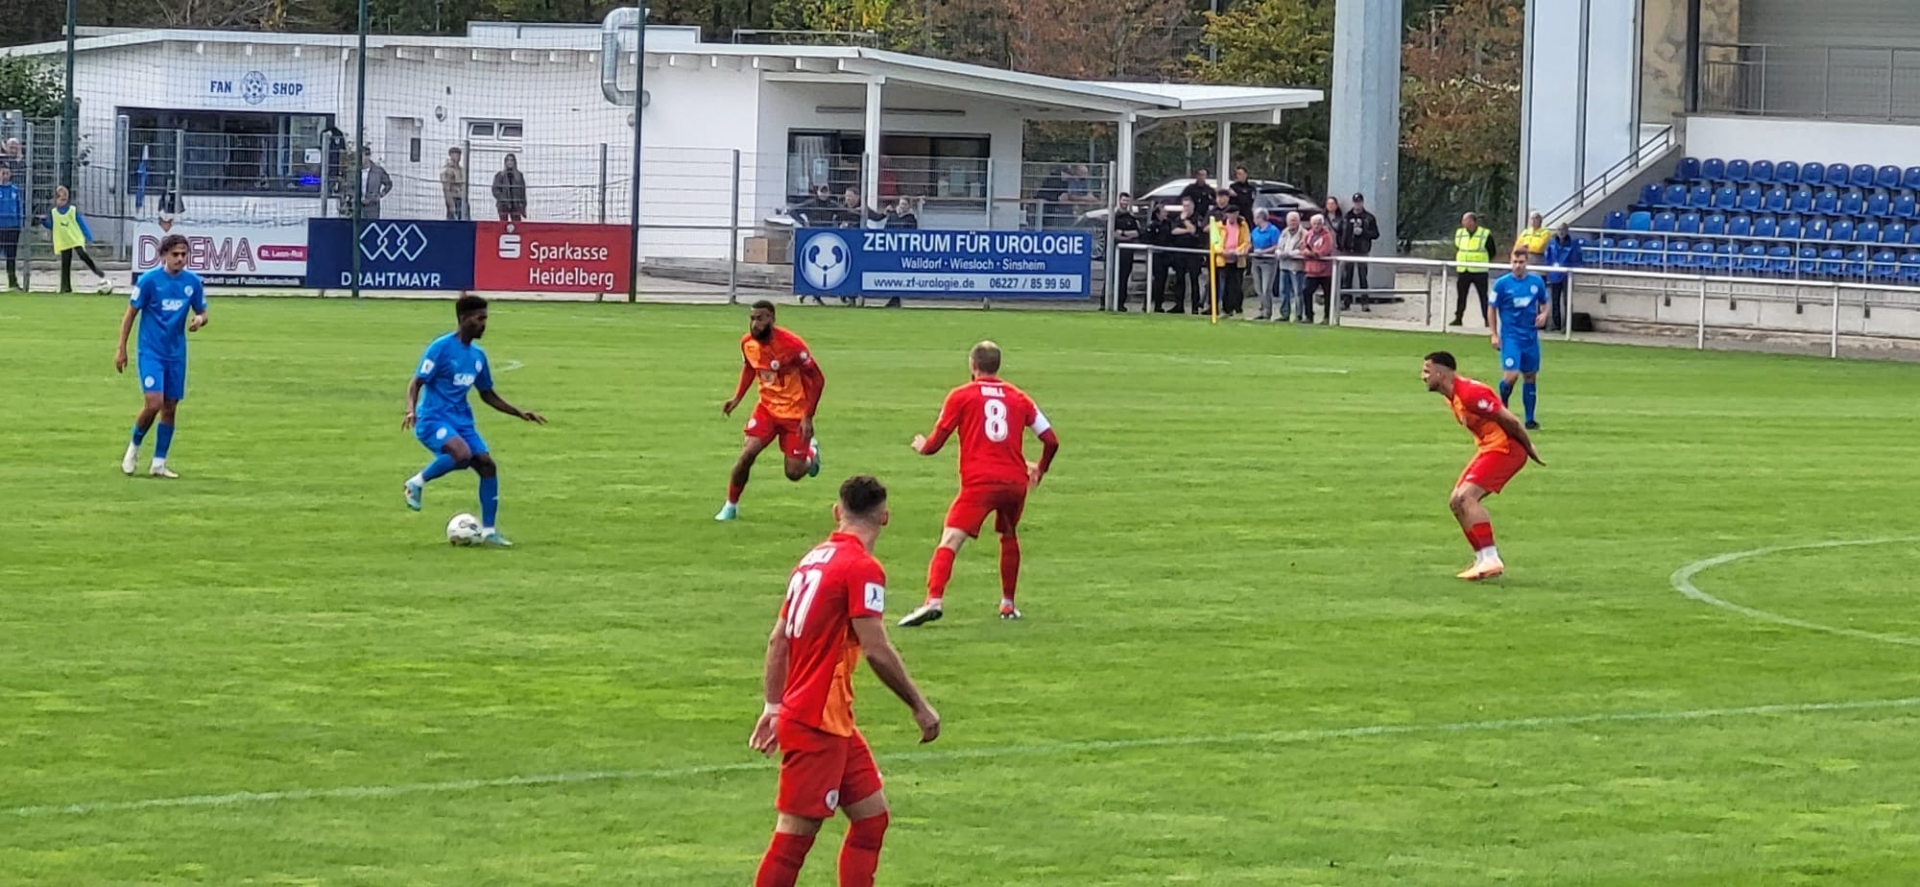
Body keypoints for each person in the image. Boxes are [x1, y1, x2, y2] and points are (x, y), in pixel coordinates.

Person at [748, 474, 940, 887]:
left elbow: (778, 639)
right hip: (816, 720)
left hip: (831, 719)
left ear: (837, 512)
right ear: (885, 517)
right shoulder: (862, 568)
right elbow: (876, 649)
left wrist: (773, 705)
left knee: (872, 818)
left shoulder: (812, 559)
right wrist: (919, 706)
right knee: (794, 840)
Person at [899, 341, 1060, 626]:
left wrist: (922, 446)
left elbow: (935, 443)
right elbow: (1051, 440)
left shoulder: (961, 396)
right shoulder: (1019, 397)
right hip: (1014, 483)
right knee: (1008, 535)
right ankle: (1008, 605)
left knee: (951, 539)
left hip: (980, 483)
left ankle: (933, 600)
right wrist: (1040, 468)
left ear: (972, 365)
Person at [401, 296, 548, 547]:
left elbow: (487, 394)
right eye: (480, 319)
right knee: (461, 454)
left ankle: (489, 532)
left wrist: (519, 412)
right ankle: (415, 483)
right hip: (433, 419)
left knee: (487, 465)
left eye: (485, 318)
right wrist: (410, 411)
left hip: (462, 422)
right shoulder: (441, 347)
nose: (484, 324)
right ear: (464, 319)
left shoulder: (478, 357)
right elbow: (417, 382)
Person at [1421, 350, 1543, 582]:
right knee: (1456, 501)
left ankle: (1491, 558)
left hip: (1506, 449)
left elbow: (1510, 420)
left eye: (1427, 371)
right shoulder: (1453, 396)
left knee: (1467, 497)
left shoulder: (1470, 394)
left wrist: (1529, 448)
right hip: (1490, 448)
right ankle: (1482, 559)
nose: (1423, 376)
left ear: (1440, 373)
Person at [718, 301, 824, 521]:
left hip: (795, 415)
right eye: (752, 318)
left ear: (772, 319)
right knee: (747, 454)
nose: (755, 324)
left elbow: (818, 379)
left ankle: (811, 455)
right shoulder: (747, 343)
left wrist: (808, 416)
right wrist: (737, 398)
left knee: (793, 473)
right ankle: (730, 506)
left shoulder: (792, 345)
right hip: (767, 410)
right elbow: (750, 367)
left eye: (760, 318)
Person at [114, 233, 207, 478]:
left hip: (176, 354)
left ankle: (159, 463)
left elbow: (203, 312)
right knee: (153, 403)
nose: (180, 259)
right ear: (164, 255)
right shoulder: (149, 281)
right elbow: (130, 314)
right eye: (175, 254)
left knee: (170, 407)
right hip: (151, 352)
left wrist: (199, 320)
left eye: (184, 254)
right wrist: (121, 348)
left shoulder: (193, 282)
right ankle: (133, 449)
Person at [1489, 249, 1550, 430]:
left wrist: (1544, 314)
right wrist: (1494, 334)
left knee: (1530, 376)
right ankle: (1502, 407)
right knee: (1511, 376)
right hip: (1511, 337)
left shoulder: (1536, 282)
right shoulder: (1502, 284)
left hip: (1530, 337)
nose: (1517, 266)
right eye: (1514, 262)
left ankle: (1530, 420)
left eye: (1521, 262)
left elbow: (1545, 301)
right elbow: (1491, 308)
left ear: (1527, 263)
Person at [41, 185, 113, 293]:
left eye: (65, 199)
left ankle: (96, 270)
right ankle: (65, 287)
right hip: (64, 240)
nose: (64, 202)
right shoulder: (54, 212)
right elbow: (53, 226)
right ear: (56, 199)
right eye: (61, 199)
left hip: (75, 238)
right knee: (65, 263)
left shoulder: (72, 210)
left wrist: (88, 236)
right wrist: (44, 222)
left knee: (82, 254)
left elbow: (81, 223)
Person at [1340, 193, 1381, 309]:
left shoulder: (1369, 217)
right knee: (1347, 277)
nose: (1357, 204)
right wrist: (1341, 244)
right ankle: (1346, 301)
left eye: (1359, 202)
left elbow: (1376, 234)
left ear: (1362, 203)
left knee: (1363, 277)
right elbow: (1340, 231)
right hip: (1349, 250)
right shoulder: (1347, 217)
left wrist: (1363, 232)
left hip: (1362, 251)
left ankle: (1364, 302)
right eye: (1355, 202)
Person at [1451, 213, 1493, 326]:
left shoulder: (1485, 234)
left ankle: (1487, 320)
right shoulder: (1460, 233)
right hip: (1463, 270)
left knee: (1483, 296)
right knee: (1461, 296)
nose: (1463, 223)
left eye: (1465, 220)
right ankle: (1458, 318)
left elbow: (1491, 251)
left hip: (1480, 271)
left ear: (1472, 222)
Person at [1210, 205, 1249, 317]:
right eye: (1230, 214)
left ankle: (1237, 308)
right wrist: (1222, 251)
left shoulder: (1243, 225)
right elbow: (1214, 242)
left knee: (1237, 285)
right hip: (1223, 259)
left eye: (1234, 214)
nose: (1232, 216)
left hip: (1238, 259)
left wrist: (1237, 251)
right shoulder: (1219, 225)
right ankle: (1226, 309)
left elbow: (1246, 241)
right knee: (1224, 285)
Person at [1543, 222, 1583, 332]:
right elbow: (1547, 259)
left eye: (1563, 230)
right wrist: (1550, 269)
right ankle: (1556, 324)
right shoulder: (1552, 243)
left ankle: (1567, 325)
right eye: (1559, 229)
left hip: (1567, 275)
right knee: (1555, 300)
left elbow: (1578, 260)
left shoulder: (1573, 244)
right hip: (1555, 275)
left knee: (1567, 301)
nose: (1561, 232)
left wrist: (1569, 268)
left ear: (1567, 231)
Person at [1297, 212, 1335, 324]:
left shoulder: (1327, 236)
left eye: (1319, 223)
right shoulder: (1308, 235)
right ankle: (1309, 316)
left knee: (1327, 295)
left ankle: (1327, 317)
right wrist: (1307, 252)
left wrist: (1312, 253)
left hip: (1325, 271)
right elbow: (1302, 247)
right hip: (1311, 270)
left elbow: (1324, 251)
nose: (1316, 226)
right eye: (1314, 223)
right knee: (1306, 292)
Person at [1171, 197, 1206, 314]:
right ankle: (1179, 306)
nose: (1186, 208)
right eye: (1184, 206)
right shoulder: (1178, 218)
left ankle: (1195, 307)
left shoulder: (1197, 218)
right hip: (1180, 252)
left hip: (1193, 253)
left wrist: (1184, 221)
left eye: (1188, 206)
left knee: (1194, 280)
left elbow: (1194, 230)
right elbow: (1173, 231)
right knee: (1179, 279)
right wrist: (1186, 229)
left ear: (1193, 206)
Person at [1248, 208, 1281, 321]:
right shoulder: (1255, 231)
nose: (1254, 220)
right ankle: (1262, 310)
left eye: (1255, 217)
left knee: (1266, 288)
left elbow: (1276, 245)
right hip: (1256, 261)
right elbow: (1251, 243)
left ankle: (1267, 312)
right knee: (1258, 288)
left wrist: (1263, 251)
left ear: (1260, 218)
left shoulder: (1273, 230)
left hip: (1268, 262)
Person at [1112, 192, 1141, 311]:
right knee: (1112, 277)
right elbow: (1113, 234)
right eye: (1123, 200)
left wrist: (1123, 233)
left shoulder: (1131, 219)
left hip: (1127, 254)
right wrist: (1127, 236)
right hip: (1114, 253)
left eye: (1127, 201)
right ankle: (1106, 302)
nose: (1125, 203)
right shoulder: (1113, 217)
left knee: (1123, 279)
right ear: (1119, 200)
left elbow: (1137, 233)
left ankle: (1120, 304)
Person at [1146, 203, 1177, 313]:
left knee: (1162, 280)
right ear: (1158, 213)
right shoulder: (1153, 225)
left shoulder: (1168, 224)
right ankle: (1148, 303)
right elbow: (1148, 238)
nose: (1166, 213)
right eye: (1164, 211)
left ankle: (1158, 305)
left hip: (1166, 256)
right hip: (1156, 256)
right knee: (1157, 281)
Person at [1275, 211, 1306, 322]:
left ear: (1298, 221)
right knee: (1283, 291)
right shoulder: (1284, 232)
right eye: (1290, 220)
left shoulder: (1304, 233)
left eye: (1294, 220)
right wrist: (1279, 252)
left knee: (1298, 292)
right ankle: (1285, 314)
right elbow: (1279, 247)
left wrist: (1289, 254)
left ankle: (1298, 315)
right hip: (1284, 266)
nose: (1292, 222)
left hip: (1297, 267)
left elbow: (1303, 249)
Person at [0, 165, 21, 292]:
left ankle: (12, 282)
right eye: (2, 173)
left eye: (7, 173)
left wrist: (19, 223)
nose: (5, 176)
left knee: (11, 256)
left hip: (12, 227)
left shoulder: (15, 190)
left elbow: (19, 207)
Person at [356, 147, 392, 219]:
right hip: (357, 206)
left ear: (368, 156)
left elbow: (388, 184)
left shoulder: (378, 171)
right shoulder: (354, 171)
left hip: (372, 206)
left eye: (362, 156)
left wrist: (380, 195)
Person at [492, 154, 528, 222]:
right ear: (505, 162)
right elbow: (495, 190)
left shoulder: (519, 175)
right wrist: (502, 198)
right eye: (508, 160)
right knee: (503, 224)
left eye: (512, 160)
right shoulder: (500, 175)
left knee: (517, 224)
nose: (510, 162)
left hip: (516, 204)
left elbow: (523, 191)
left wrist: (523, 205)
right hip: (503, 204)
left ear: (515, 162)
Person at [440, 147, 467, 220]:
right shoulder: (448, 171)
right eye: (456, 154)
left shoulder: (461, 169)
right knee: (453, 220)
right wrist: (451, 204)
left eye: (459, 154)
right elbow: (446, 189)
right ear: (451, 155)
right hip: (453, 198)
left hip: (462, 198)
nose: (458, 157)